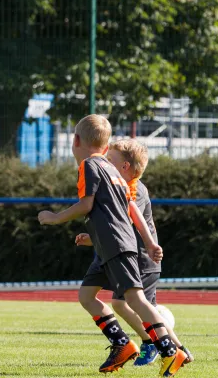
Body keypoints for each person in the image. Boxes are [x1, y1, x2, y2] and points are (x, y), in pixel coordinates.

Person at [37, 115, 188, 377]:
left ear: (75, 140)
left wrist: (54, 218)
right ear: (106, 148)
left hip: (117, 244)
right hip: (110, 246)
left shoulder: (89, 165)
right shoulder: (111, 170)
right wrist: (150, 241)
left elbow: (86, 205)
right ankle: (121, 344)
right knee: (87, 295)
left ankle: (170, 350)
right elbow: (129, 207)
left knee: (134, 299)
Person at [76, 139, 193, 366]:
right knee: (96, 297)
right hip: (111, 252)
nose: (106, 164)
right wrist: (94, 239)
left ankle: (169, 347)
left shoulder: (135, 190)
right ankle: (150, 345)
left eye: (111, 160)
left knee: (130, 304)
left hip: (139, 259)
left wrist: (93, 238)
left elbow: (125, 224)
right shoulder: (112, 184)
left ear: (125, 167)